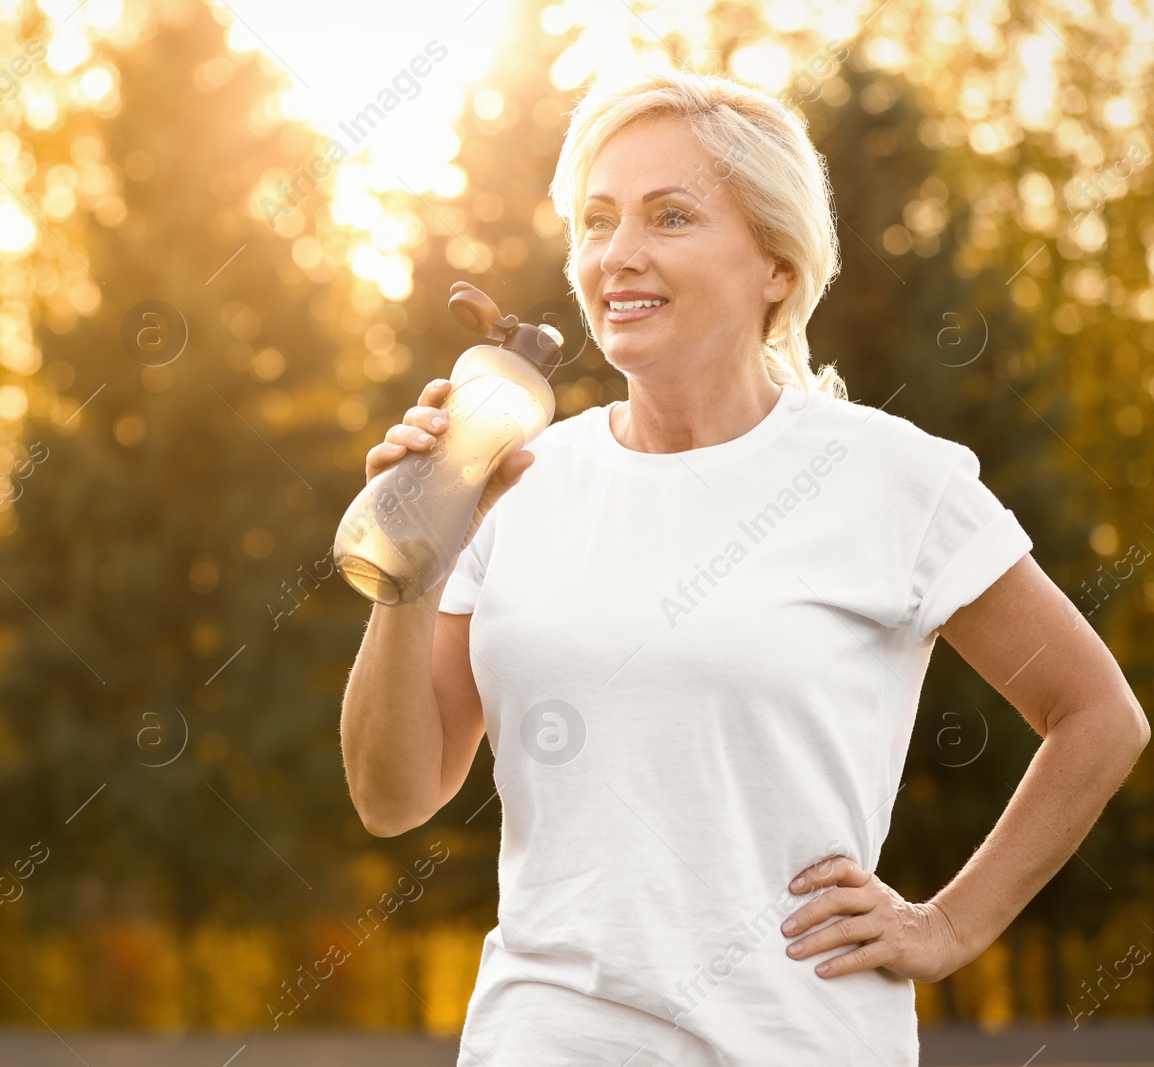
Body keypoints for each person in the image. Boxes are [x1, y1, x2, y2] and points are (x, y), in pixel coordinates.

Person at [338, 67, 1149, 1066]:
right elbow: (393, 792)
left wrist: (947, 924)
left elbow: (1097, 716)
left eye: (669, 216)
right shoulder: (511, 481)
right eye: (596, 221)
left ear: (776, 263)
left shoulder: (886, 476)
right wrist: (412, 566)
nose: (617, 254)